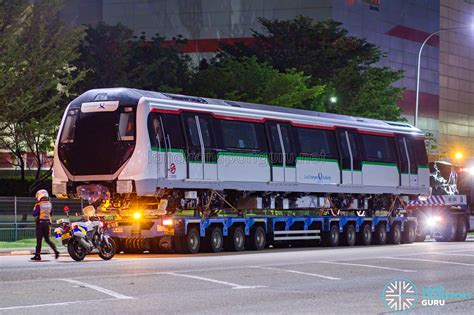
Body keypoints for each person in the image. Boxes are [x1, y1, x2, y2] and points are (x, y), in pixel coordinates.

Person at [31, 189, 59, 261]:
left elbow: (34, 214)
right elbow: (51, 214)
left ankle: (38, 255)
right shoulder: (50, 204)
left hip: (40, 223)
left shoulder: (39, 204)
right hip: (47, 223)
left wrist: (34, 209)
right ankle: (56, 251)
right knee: (47, 239)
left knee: (39, 240)